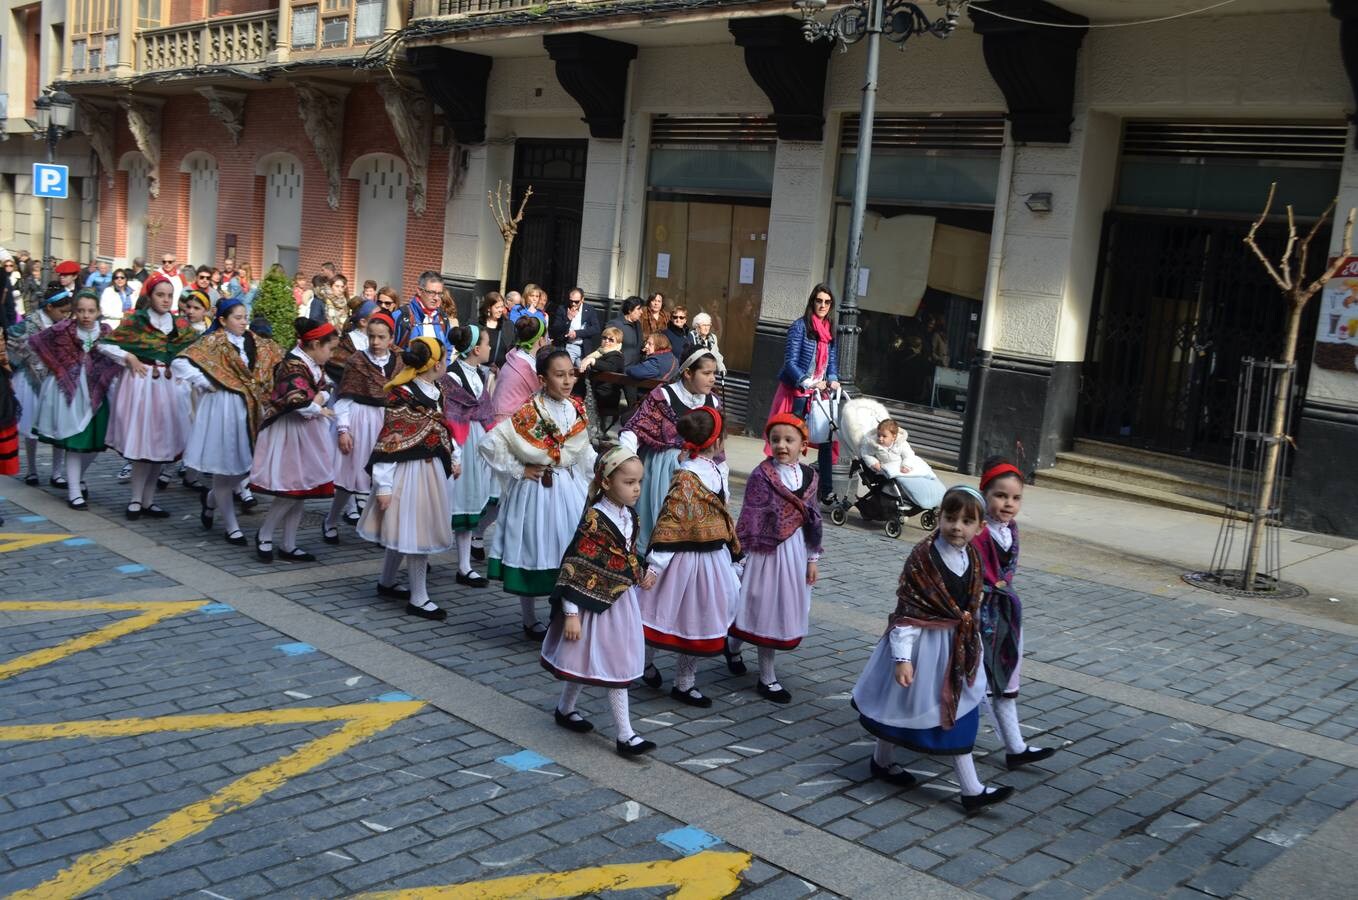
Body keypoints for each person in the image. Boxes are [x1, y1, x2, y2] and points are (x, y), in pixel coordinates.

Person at [850, 485, 1013, 813]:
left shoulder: (972, 557)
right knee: (909, 705)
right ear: (937, 518)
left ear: (980, 527)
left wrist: (974, 639)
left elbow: (971, 604)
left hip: (957, 647)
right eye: (950, 518)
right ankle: (968, 788)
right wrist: (902, 659)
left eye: (967, 521)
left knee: (955, 710)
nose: (957, 527)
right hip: (923, 648)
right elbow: (907, 613)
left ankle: (963, 787)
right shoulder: (924, 559)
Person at [542, 446, 659, 757]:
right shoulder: (594, 520)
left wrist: (641, 572)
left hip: (619, 602)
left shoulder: (629, 516)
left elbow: (626, 557)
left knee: (593, 660)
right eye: (629, 482)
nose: (636, 489)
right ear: (606, 482)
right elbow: (575, 565)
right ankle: (625, 735)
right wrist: (570, 614)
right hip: (591, 606)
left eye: (639, 482)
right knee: (615, 666)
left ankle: (565, 709)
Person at [479, 347, 596, 639]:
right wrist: (521, 469)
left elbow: (582, 451)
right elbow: (491, 444)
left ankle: (562, 614)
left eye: (571, 374)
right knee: (535, 545)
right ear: (543, 379)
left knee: (568, 549)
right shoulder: (529, 412)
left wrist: (604, 474)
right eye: (559, 375)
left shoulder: (575, 408)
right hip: (538, 491)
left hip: (569, 489)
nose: (568, 381)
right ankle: (530, 619)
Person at [634, 407, 742, 708]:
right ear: (718, 440)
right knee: (659, 612)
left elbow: (722, 511)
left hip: (712, 557)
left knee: (700, 619)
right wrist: (655, 565)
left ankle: (685, 683)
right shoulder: (686, 476)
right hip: (682, 557)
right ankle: (645, 663)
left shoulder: (717, 468)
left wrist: (734, 554)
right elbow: (672, 519)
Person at [358, 336, 460, 621]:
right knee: (416, 533)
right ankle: (419, 597)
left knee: (403, 530)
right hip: (406, 472)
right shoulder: (401, 394)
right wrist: (384, 486)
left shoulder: (436, 390)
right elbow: (389, 441)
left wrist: (454, 455)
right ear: (437, 364)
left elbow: (442, 427)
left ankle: (387, 581)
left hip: (428, 471)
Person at [728, 413, 823, 703]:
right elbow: (750, 517)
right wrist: (741, 555)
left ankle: (732, 644)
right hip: (765, 552)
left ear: (803, 444)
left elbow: (813, 519)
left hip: (794, 551)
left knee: (776, 608)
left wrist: (812, 558)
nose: (782, 445)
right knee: (762, 609)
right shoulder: (761, 475)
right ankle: (766, 677)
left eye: (789, 440)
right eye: (776, 439)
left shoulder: (810, 477)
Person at [172, 297, 284, 545]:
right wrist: (206, 382)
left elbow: (280, 359)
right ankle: (231, 526)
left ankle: (211, 500)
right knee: (225, 468)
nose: (244, 322)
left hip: (253, 409)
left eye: (245, 317)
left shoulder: (256, 342)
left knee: (247, 467)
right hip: (223, 408)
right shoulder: (213, 342)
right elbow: (179, 362)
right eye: (238, 317)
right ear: (222, 320)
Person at [973, 457, 1055, 771]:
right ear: (985, 493)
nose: (1008, 504)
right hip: (977, 615)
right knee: (967, 679)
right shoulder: (976, 530)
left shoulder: (1011, 530)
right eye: (1001, 495)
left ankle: (1015, 747)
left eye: (1015, 497)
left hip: (1005, 614)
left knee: (1006, 680)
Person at [97, 272, 197, 519]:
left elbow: (195, 353)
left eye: (170, 296)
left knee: (161, 445)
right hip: (142, 385)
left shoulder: (180, 325)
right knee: (144, 443)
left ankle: (149, 500)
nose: (165, 300)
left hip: (169, 387)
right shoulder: (136, 321)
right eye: (160, 295)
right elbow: (104, 344)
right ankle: (135, 499)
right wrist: (128, 357)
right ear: (149, 296)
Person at [248, 316, 339, 562]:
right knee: (290, 491)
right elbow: (299, 403)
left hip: (307, 433)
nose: (331, 355)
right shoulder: (293, 365)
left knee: (301, 491)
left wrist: (319, 398)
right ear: (316, 345)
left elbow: (325, 388)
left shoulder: (310, 363)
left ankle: (288, 544)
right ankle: (265, 535)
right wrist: (319, 403)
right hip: (289, 433)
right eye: (330, 349)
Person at [27, 289, 121, 509]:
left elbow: (116, 354)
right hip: (69, 393)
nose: (86, 315)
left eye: (90, 311)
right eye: (80, 311)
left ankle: (77, 477)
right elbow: (38, 343)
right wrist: (57, 368)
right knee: (74, 442)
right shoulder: (62, 330)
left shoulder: (106, 331)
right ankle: (74, 492)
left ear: (98, 311)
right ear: (74, 311)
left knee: (97, 443)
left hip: (97, 391)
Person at [619, 349, 722, 550]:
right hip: (661, 470)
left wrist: (721, 480)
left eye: (714, 373)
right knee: (658, 521)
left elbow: (719, 449)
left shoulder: (713, 402)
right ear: (688, 373)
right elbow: (635, 429)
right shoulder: (664, 396)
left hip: (698, 473)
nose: (712, 379)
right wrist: (628, 462)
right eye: (706, 373)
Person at [325, 309, 400, 537]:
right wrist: (343, 430)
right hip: (361, 420)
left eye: (381, 337)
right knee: (350, 479)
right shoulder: (357, 361)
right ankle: (331, 521)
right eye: (371, 336)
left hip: (387, 422)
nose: (375, 342)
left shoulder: (399, 362)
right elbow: (345, 398)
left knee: (384, 478)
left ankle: (379, 528)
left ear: (391, 338)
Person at [768, 284, 841, 505]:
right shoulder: (800, 326)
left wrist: (834, 378)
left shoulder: (830, 329)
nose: (822, 305)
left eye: (827, 302)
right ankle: (780, 481)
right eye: (819, 301)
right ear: (812, 302)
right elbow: (789, 362)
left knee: (826, 440)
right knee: (792, 438)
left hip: (819, 395)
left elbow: (832, 362)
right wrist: (809, 381)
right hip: (798, 392)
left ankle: (826, 491)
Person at [440, 324, 497, 588]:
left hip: (477, 441)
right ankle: (422, 552)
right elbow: (451, 418)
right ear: (476, 349)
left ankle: (464, 566)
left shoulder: (479, 373)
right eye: (486, 343)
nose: (488, 348)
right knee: (452, 501)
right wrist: (456, 455)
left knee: (470, 500)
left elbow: (484, 410)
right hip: (460, 441)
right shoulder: (451, 376)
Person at [7, 286, 72, 486]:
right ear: (49, 307)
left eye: (68, 311)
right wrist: (21, 358)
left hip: (56, 381)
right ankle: (32, 470)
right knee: (31, 426)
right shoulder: (30, 324)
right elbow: (10, 340)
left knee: (58, 425)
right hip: (31, 380)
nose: (65, 315)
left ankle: (57, 472)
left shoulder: (66, 327)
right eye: (62, 311)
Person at [861, 417, 947, 510]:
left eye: (884, 436)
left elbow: (909, 455)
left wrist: (905, 465)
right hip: (888, 469)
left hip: (902, 467)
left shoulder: (901, 443)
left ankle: (934, 496)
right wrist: (874, 463)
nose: (880, 439)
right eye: (879, 435)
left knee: (919, 477)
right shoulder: (873, 445)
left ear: (894, 437)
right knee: (901, 484)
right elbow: (866, 454)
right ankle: (907, 498)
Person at [488, 316, 550, 428]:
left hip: (498, 418)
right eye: (546, 338)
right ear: (541, 340)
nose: (547, 341)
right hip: (507, 424)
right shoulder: (530, 366)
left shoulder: (515, 356)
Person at [392, 271, 454, 354]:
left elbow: (448, 349)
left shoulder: (442, 319)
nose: (436, 298)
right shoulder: (400, 316)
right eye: (432, 292)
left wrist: (444, 366)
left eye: (439, 294)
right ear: (419, 291)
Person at [577, 326, 626, 429]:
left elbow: (610, 366)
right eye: (604, 338)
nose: (606, 341)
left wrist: (592, 361)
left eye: (611, 340)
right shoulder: (599, 353)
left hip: (605, 396)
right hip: (594, 393)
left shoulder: (617, 356)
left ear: (618, 343)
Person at [549, 287, 601, 365]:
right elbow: (556, 329)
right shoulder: (562, 309)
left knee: (584, 372)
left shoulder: (589, 310)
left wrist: (577, 333)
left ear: (582, 299)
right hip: (568, 346)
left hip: (584, 348)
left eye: (576, 302)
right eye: (571, 301)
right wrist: (568, 319)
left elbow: (596, 328)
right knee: (567, 368)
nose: (573, 304)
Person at [606, 296, 645, 371]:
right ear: (630, 310)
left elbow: (639, 345)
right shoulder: (615, 324)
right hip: (620, 370)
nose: (641, 312)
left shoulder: (638, 324)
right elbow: (606, 346)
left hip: (634, 369)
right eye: (638, 309)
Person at [478, 292, 510, 370]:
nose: (500, 310)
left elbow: (511, 348)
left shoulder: (508, 326)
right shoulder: (478, 325)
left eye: (502, 307)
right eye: (497, 307)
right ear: (489, 308)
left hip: (499, 372)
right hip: (479, 370)